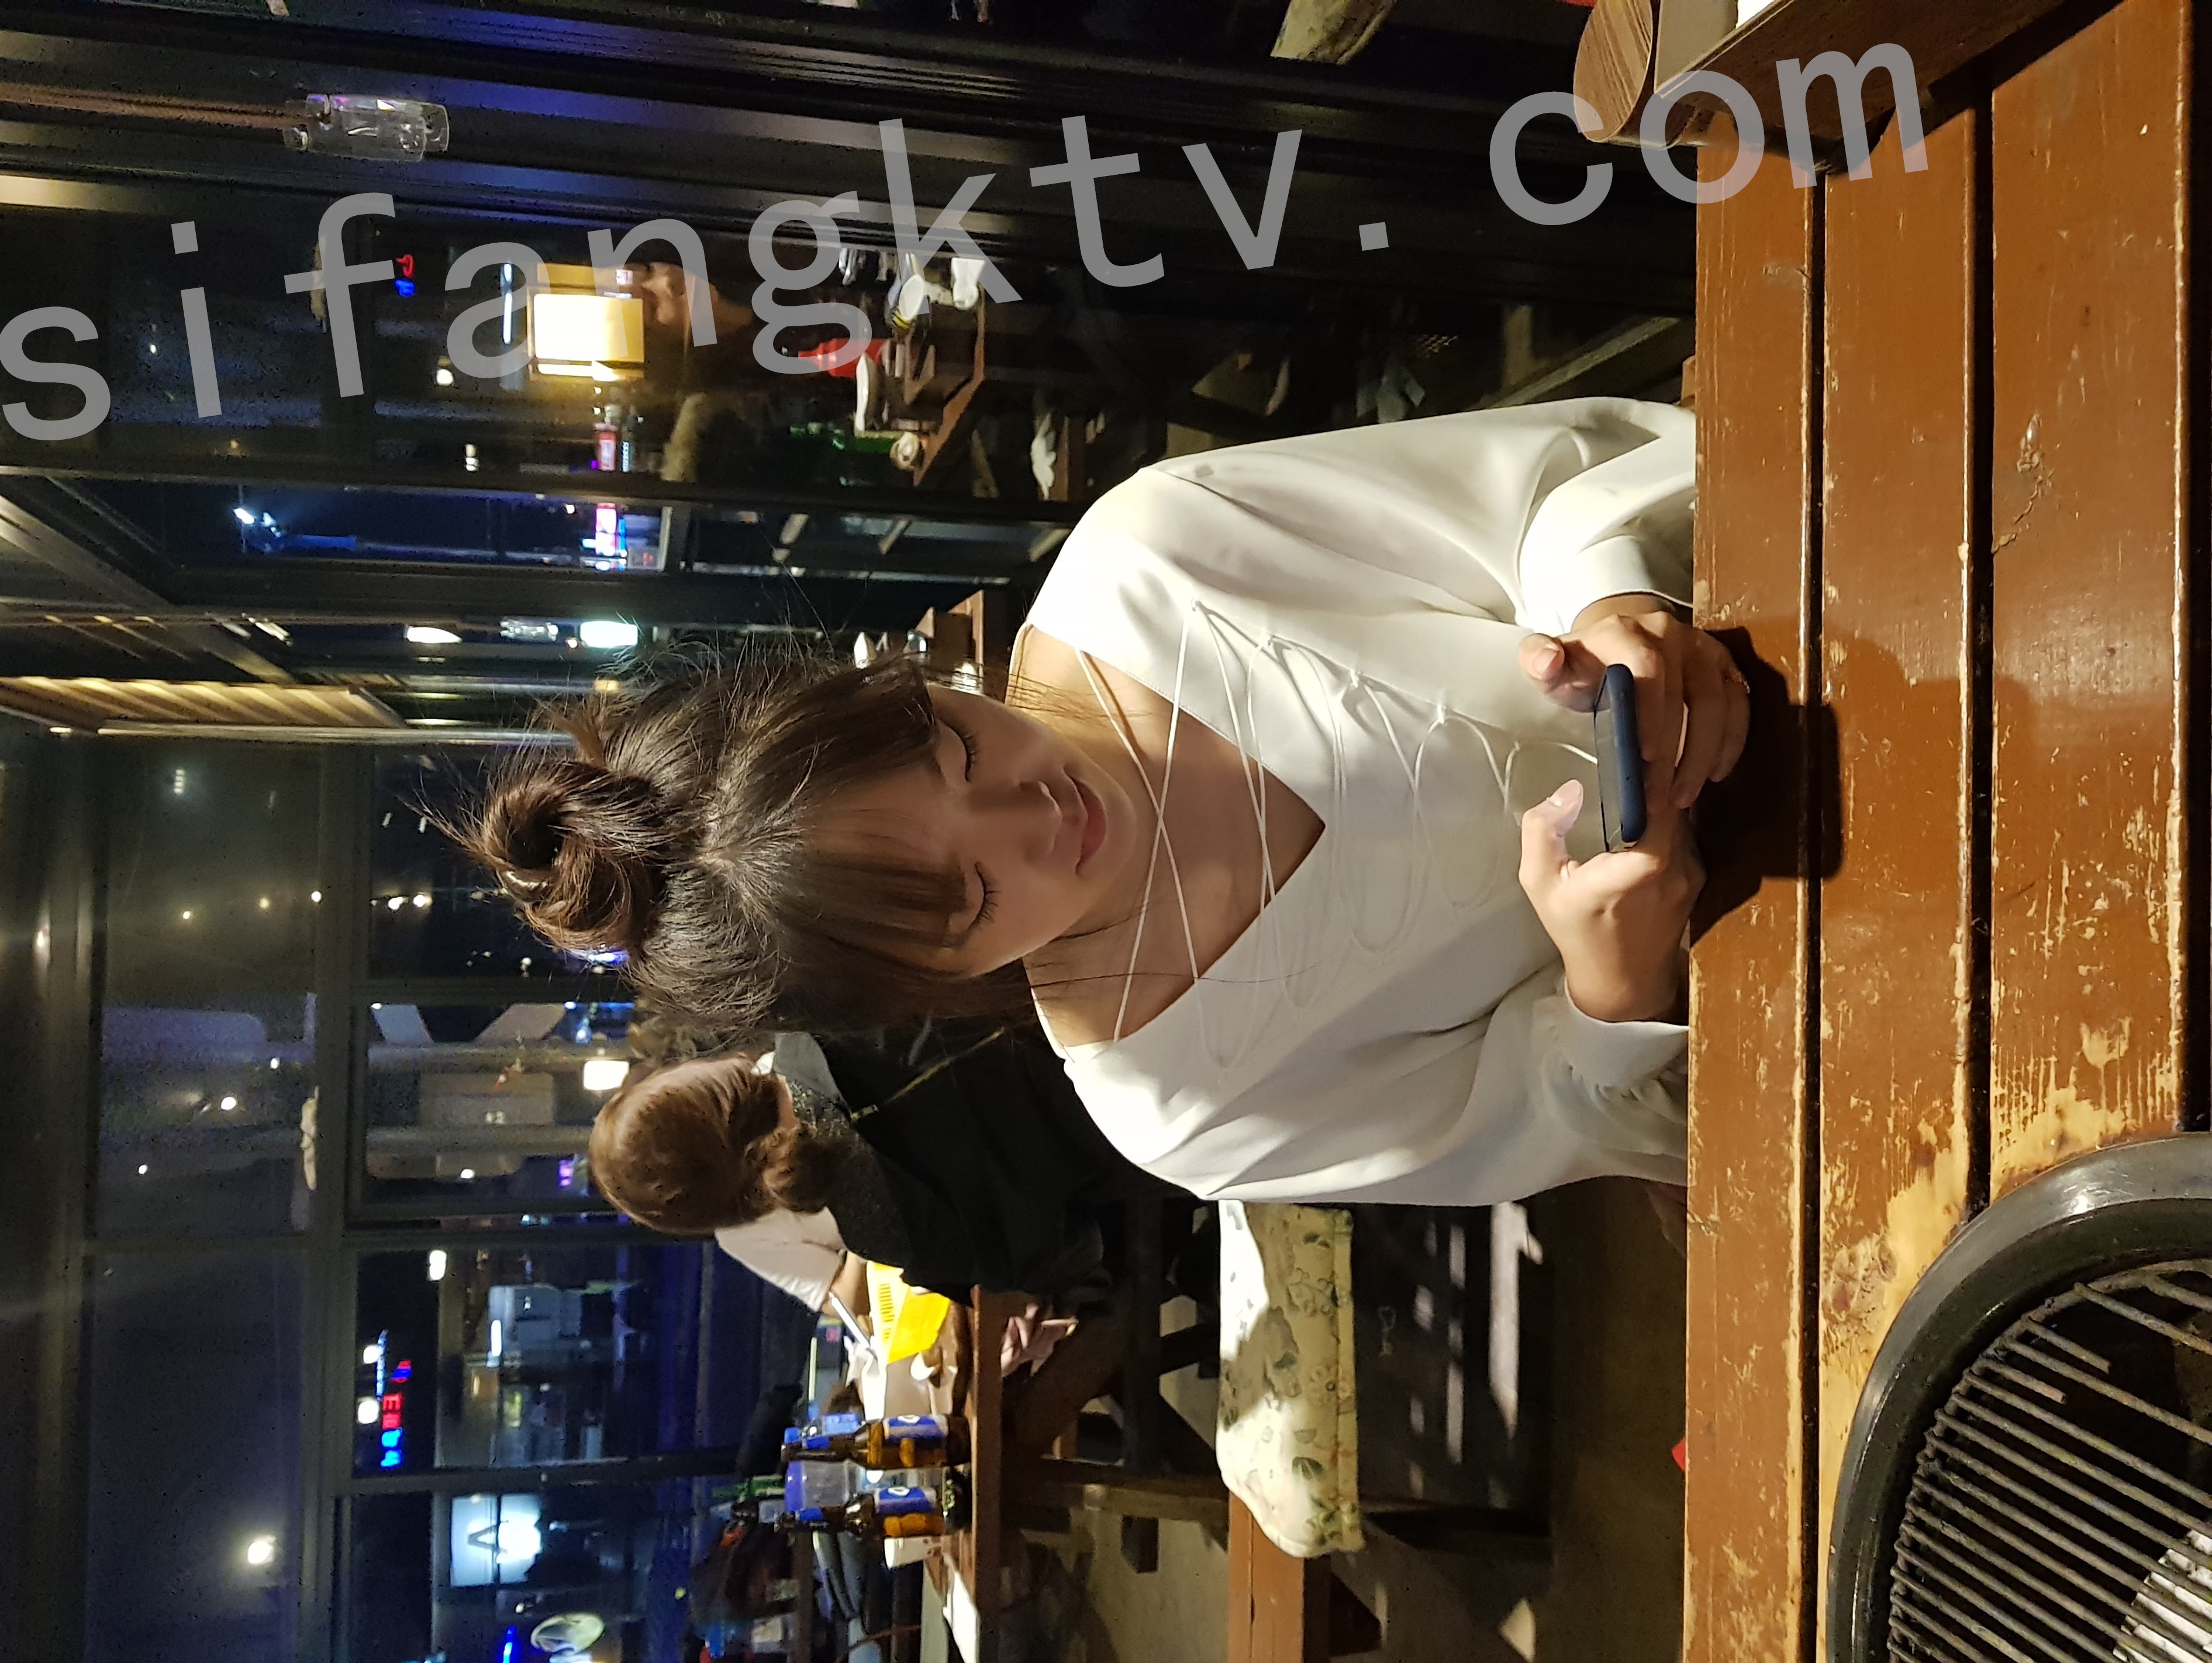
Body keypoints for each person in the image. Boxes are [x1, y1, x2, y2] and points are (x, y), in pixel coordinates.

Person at [460, 398, 1743, 1208]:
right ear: (925, 985)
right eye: (972, 897)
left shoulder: (1155, 558)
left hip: (1788, 612)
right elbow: (1561, 1126)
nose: (1040, 820)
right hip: (1783, 970)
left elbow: (1549, 482)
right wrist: (1611, 989)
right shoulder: (1181, 1111)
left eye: (958, 751)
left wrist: (1608, 601)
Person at [589, 1023, 1169, 1307]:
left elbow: (1077, 1255)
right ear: (701, 1077)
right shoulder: (825, 1006)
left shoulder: (879, 1232)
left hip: (1172, 1136)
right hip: (1151, 974)